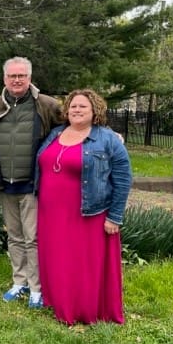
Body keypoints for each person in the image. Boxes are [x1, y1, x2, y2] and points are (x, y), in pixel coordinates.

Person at [36, 89, 131, 324]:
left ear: (94, 111)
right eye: (73, 106)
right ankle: (59, 302)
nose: (76, 110)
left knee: (82, 263)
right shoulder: (55, 133)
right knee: (59, 259)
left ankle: (82, 309)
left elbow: (122, 179)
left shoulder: (107, 139)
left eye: (83, 106)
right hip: (51, 213)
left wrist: (115, 217)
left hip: (87, 214)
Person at [0, 56, 61, 308]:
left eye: (22, 76)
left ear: (29, 78)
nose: (17, 80)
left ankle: (36, 287)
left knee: (33, 238)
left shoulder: (47, 104)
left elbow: (70, 128)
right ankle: (19, 282)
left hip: (32, 184)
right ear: (4, 79)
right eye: (12, 76)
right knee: (15, 237)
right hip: (6, 185)